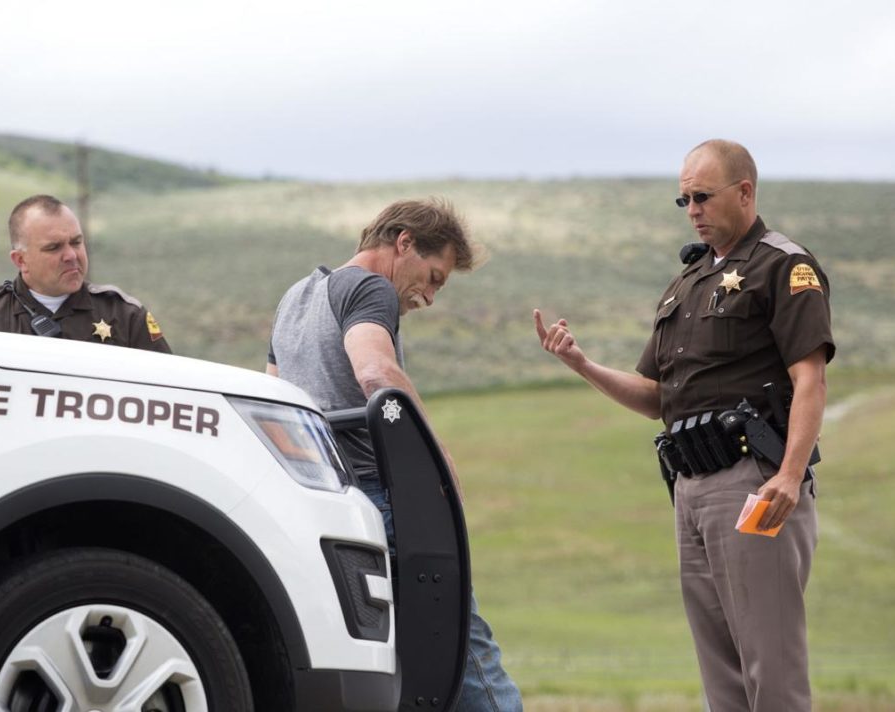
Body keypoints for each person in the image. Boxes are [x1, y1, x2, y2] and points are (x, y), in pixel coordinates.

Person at [535, 139, 834, 711]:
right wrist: (581, 364)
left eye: (702, 196)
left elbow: (810, 381)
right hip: (691, 489)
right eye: (683, 200)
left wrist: (791, 476)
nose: (692, 209)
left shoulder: (782, 266)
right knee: (721, 676)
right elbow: (656, 397)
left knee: (771, 672)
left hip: (754, 482)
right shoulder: (687, 283)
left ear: (744, 192)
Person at [267, 198, 523, 712]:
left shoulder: (295, 297)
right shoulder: (368, 287)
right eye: (433, 277)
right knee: (460, 649)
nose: (429, 296)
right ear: (403, 242)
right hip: (381, 499)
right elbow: (376, 373)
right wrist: (435, 454)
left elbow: (274, 399)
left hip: (321, 504)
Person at [0, 194, 171, 353]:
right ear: (21, 260)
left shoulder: (124, 316)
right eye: (54, 248)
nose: (71, 255)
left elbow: (168, 385)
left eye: (76, 242)